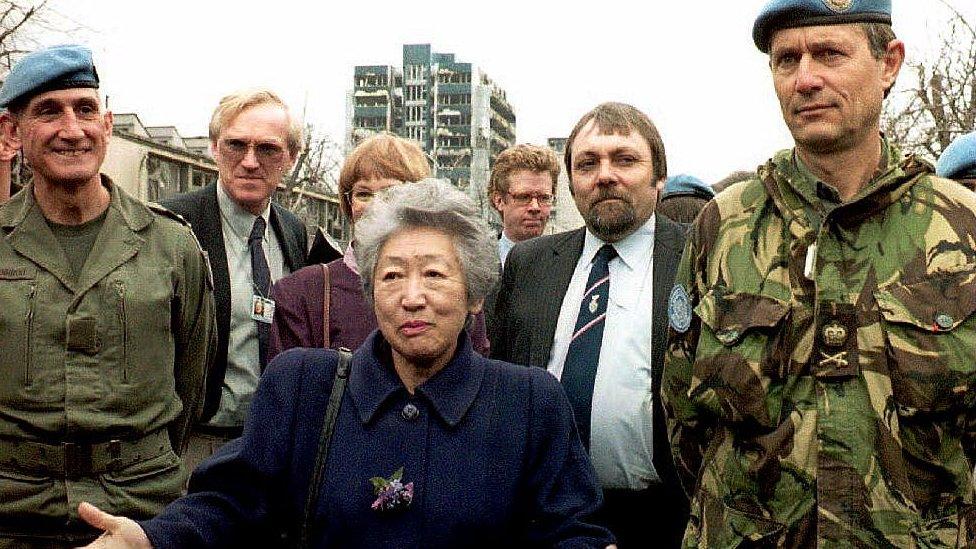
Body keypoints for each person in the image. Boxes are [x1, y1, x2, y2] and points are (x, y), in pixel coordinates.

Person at [77, 179, 617, 549]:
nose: (412, 297)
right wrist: (151, 537)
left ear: (474, 295)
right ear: (370, 292)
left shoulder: (528, 401)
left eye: (434, 275)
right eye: (391, 276)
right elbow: (231, 500)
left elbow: (571, 527)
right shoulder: (303, 386)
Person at [663, 0, 976, 546]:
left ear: (890, 63)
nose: (806, 79)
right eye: (787, 60)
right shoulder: (726, 226)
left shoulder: (962, 226)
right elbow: (683, 418)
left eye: (829, 54)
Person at [0, 45, 215, 546]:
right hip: (12, 512)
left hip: (140, 508)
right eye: (48, 111)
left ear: (107, 123)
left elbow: (191, 386)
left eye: (85, 109)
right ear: (12, 133)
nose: (72, 129)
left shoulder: (171, 245)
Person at [490, 102, 689, 547]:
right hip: (543, 516)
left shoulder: (697, 258)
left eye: (625, 159)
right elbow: (500, 380)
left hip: (663, 519)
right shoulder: (530, 263)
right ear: (573, 182)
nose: (604, 175)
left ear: (659, 178)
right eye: (587, 163)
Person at [160, 89, 308, 470]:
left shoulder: (292, 233)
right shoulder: (172, 226)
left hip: (271, 448)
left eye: (268, 149)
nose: (249, 162)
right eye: (235, 145)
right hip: (193, 444)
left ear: (291, 158)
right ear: (213, 148)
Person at [268, 133, 490, 357]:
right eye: (363, 194)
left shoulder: (455, 289)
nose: (376, 204)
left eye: (390, 192)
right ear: (348, 202)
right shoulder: (302, 292)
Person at [489, 143, 560, 266]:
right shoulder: (474, 264)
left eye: (544, 198)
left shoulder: (567, 265)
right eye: (523, 197)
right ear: (499, 200)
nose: (535, 207)